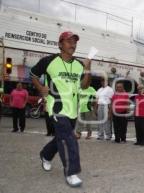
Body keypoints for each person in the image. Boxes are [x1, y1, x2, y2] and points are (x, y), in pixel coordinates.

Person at [31, 31, 91, 187]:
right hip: (56, 106)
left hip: (72, 110)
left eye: (74, 42)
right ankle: (71, 172)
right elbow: (33, 74)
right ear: (60, 44)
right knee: (69, 139)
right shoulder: (48, 61)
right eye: (68, 41)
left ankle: (45, 155)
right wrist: (40, 87)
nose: (73, 44)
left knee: (62, 137)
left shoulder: (79, 65)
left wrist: (88, 69)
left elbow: (84, 86)